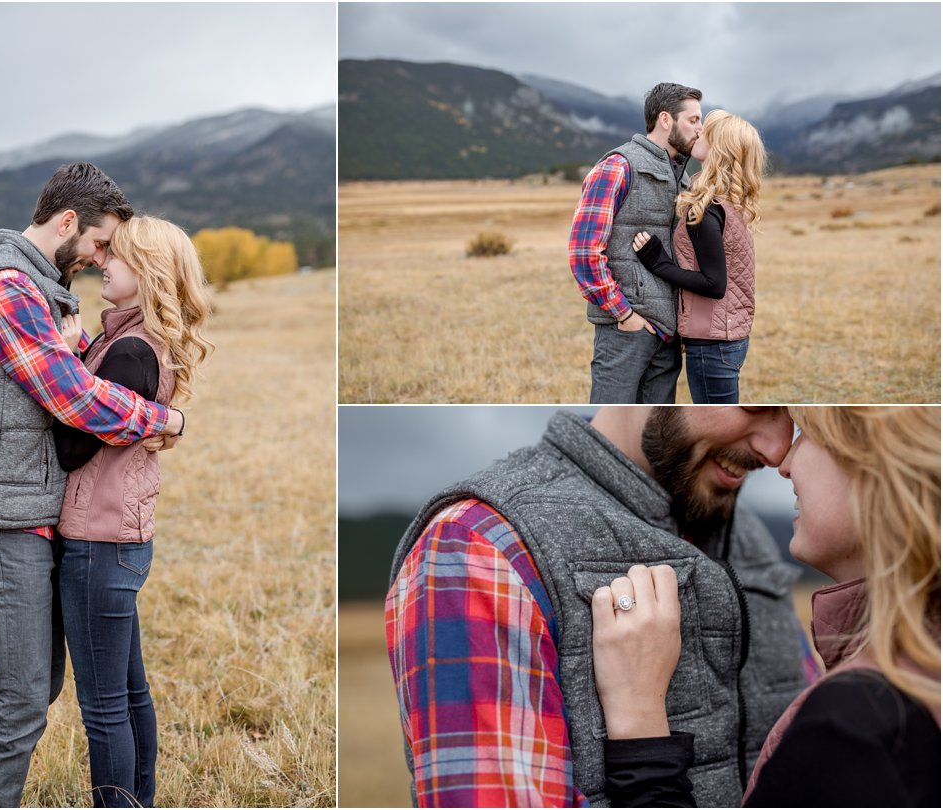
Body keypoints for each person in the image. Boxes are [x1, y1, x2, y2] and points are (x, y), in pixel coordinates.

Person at [386, 407, 817, 807]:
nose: (776, 449)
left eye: (792, 413)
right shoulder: (480, 544)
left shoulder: (749, 535)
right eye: (755, 407)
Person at [0, 163, 187, 807]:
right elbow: (74, 401)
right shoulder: (6, 287)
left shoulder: (38, 288)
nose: (102, 259)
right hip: (3, 516)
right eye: (101, 242)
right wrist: (167, 420)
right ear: (68, 222)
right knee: (24, 696)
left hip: (31, 510)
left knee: (41, 685)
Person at [591, 407, 941, 807]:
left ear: (881, 466)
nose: (783, 460)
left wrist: (641, 735)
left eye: (808, 432)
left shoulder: (854, 725)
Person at [52, 216, 213, 807]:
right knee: (129, 692)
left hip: (96, 542)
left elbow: (73, 448)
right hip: (121, 537)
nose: (102, 264)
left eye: (114, 258)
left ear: (146, 273)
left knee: (103, 709)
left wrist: (67, 360)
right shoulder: (137, 341)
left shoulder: (127, 352)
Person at [569, 83, 702, 404]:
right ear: (666, 120)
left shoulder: (681, 177)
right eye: (694, 120)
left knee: (656, 434)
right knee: (613, 425)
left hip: (668, 332)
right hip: (626, 330)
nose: (700, 130)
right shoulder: (618, 166)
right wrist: (625, 316)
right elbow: (584, 252)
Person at [631, 110, 766, 404]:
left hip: (711, 343)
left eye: (707, 131)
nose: (698, 131)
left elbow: (714, 284)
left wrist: (658, 263)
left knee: (719, 422)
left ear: (719, 149)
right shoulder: (731, 202)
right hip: (729, 335)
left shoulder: (705, 210)